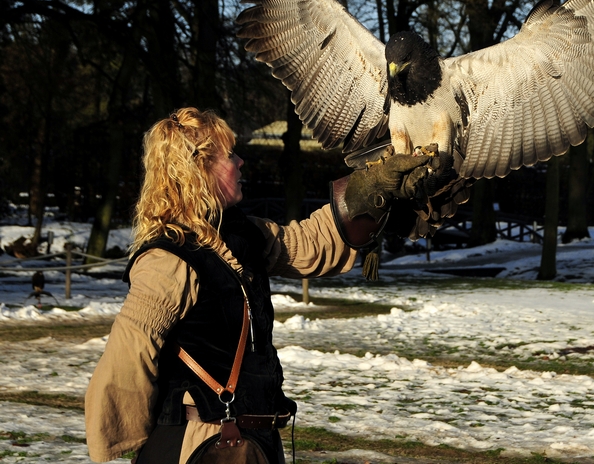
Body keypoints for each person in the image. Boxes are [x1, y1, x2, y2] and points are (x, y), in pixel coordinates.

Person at [85, 107, 430, 463]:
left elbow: (306, 244)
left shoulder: (242, 234)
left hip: (254, 441)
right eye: (229, 155)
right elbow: (130, 349)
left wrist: (371, 189)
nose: (241, 162)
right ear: (198, 167)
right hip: (204, 447)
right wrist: (120, 440)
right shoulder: (168, 259)